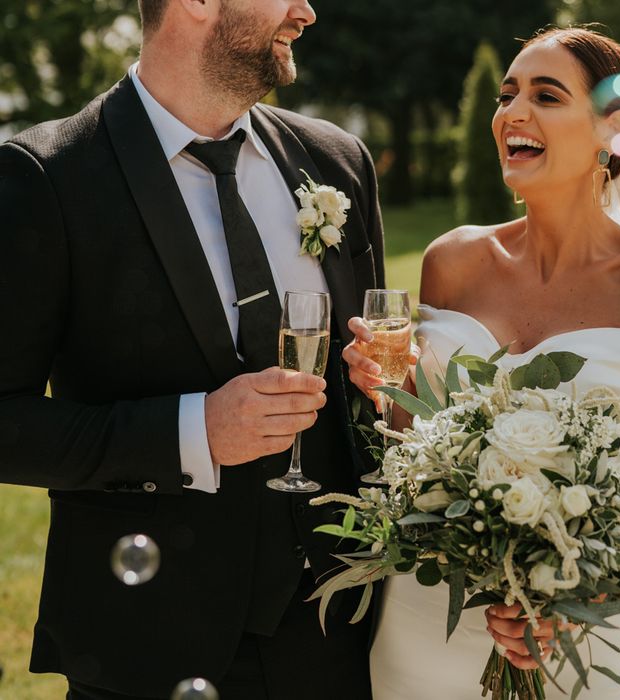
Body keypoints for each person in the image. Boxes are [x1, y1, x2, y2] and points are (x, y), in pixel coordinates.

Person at [343, 27, 620, 699]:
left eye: (546, 95)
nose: (512, 112)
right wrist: (386, 391)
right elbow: (412, 449)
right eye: (507, 95)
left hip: (574, 647)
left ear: (611, 132)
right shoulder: (452, 261)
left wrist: (578, 599)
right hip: (424, 625)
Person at [0, 0, 384, 698]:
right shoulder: (46, 177)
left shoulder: (337, 161)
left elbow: (372, 393)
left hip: (339, 631)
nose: (307, 11)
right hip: (151, 645)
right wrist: (192, 430)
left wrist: (382, 385)